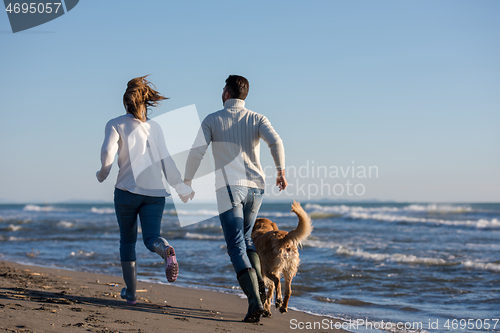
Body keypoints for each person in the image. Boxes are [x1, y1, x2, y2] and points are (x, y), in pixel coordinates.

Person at [184, 75, 287, 322]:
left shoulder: (212, 119)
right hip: (256, 189)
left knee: (235, 245)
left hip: (230, 188)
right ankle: (259, 290)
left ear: (227, 94)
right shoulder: (257, 118)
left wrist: (187, 180)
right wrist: (281, 171)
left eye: (223, 90)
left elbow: (197, 151)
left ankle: (254, 301)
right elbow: (276, 142)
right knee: (246, 240)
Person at [96, 76, 194, 305]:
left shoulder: (115, 123)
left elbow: (107, 151)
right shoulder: (155, 127)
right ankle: (166, 249)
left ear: (126, 102)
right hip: (156, 194)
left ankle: (131, 293)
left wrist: (103, 172)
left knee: (128, 241)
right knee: (151, 238)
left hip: (126, 191)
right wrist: (180, 186)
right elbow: (166, 161)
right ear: (146, 101)